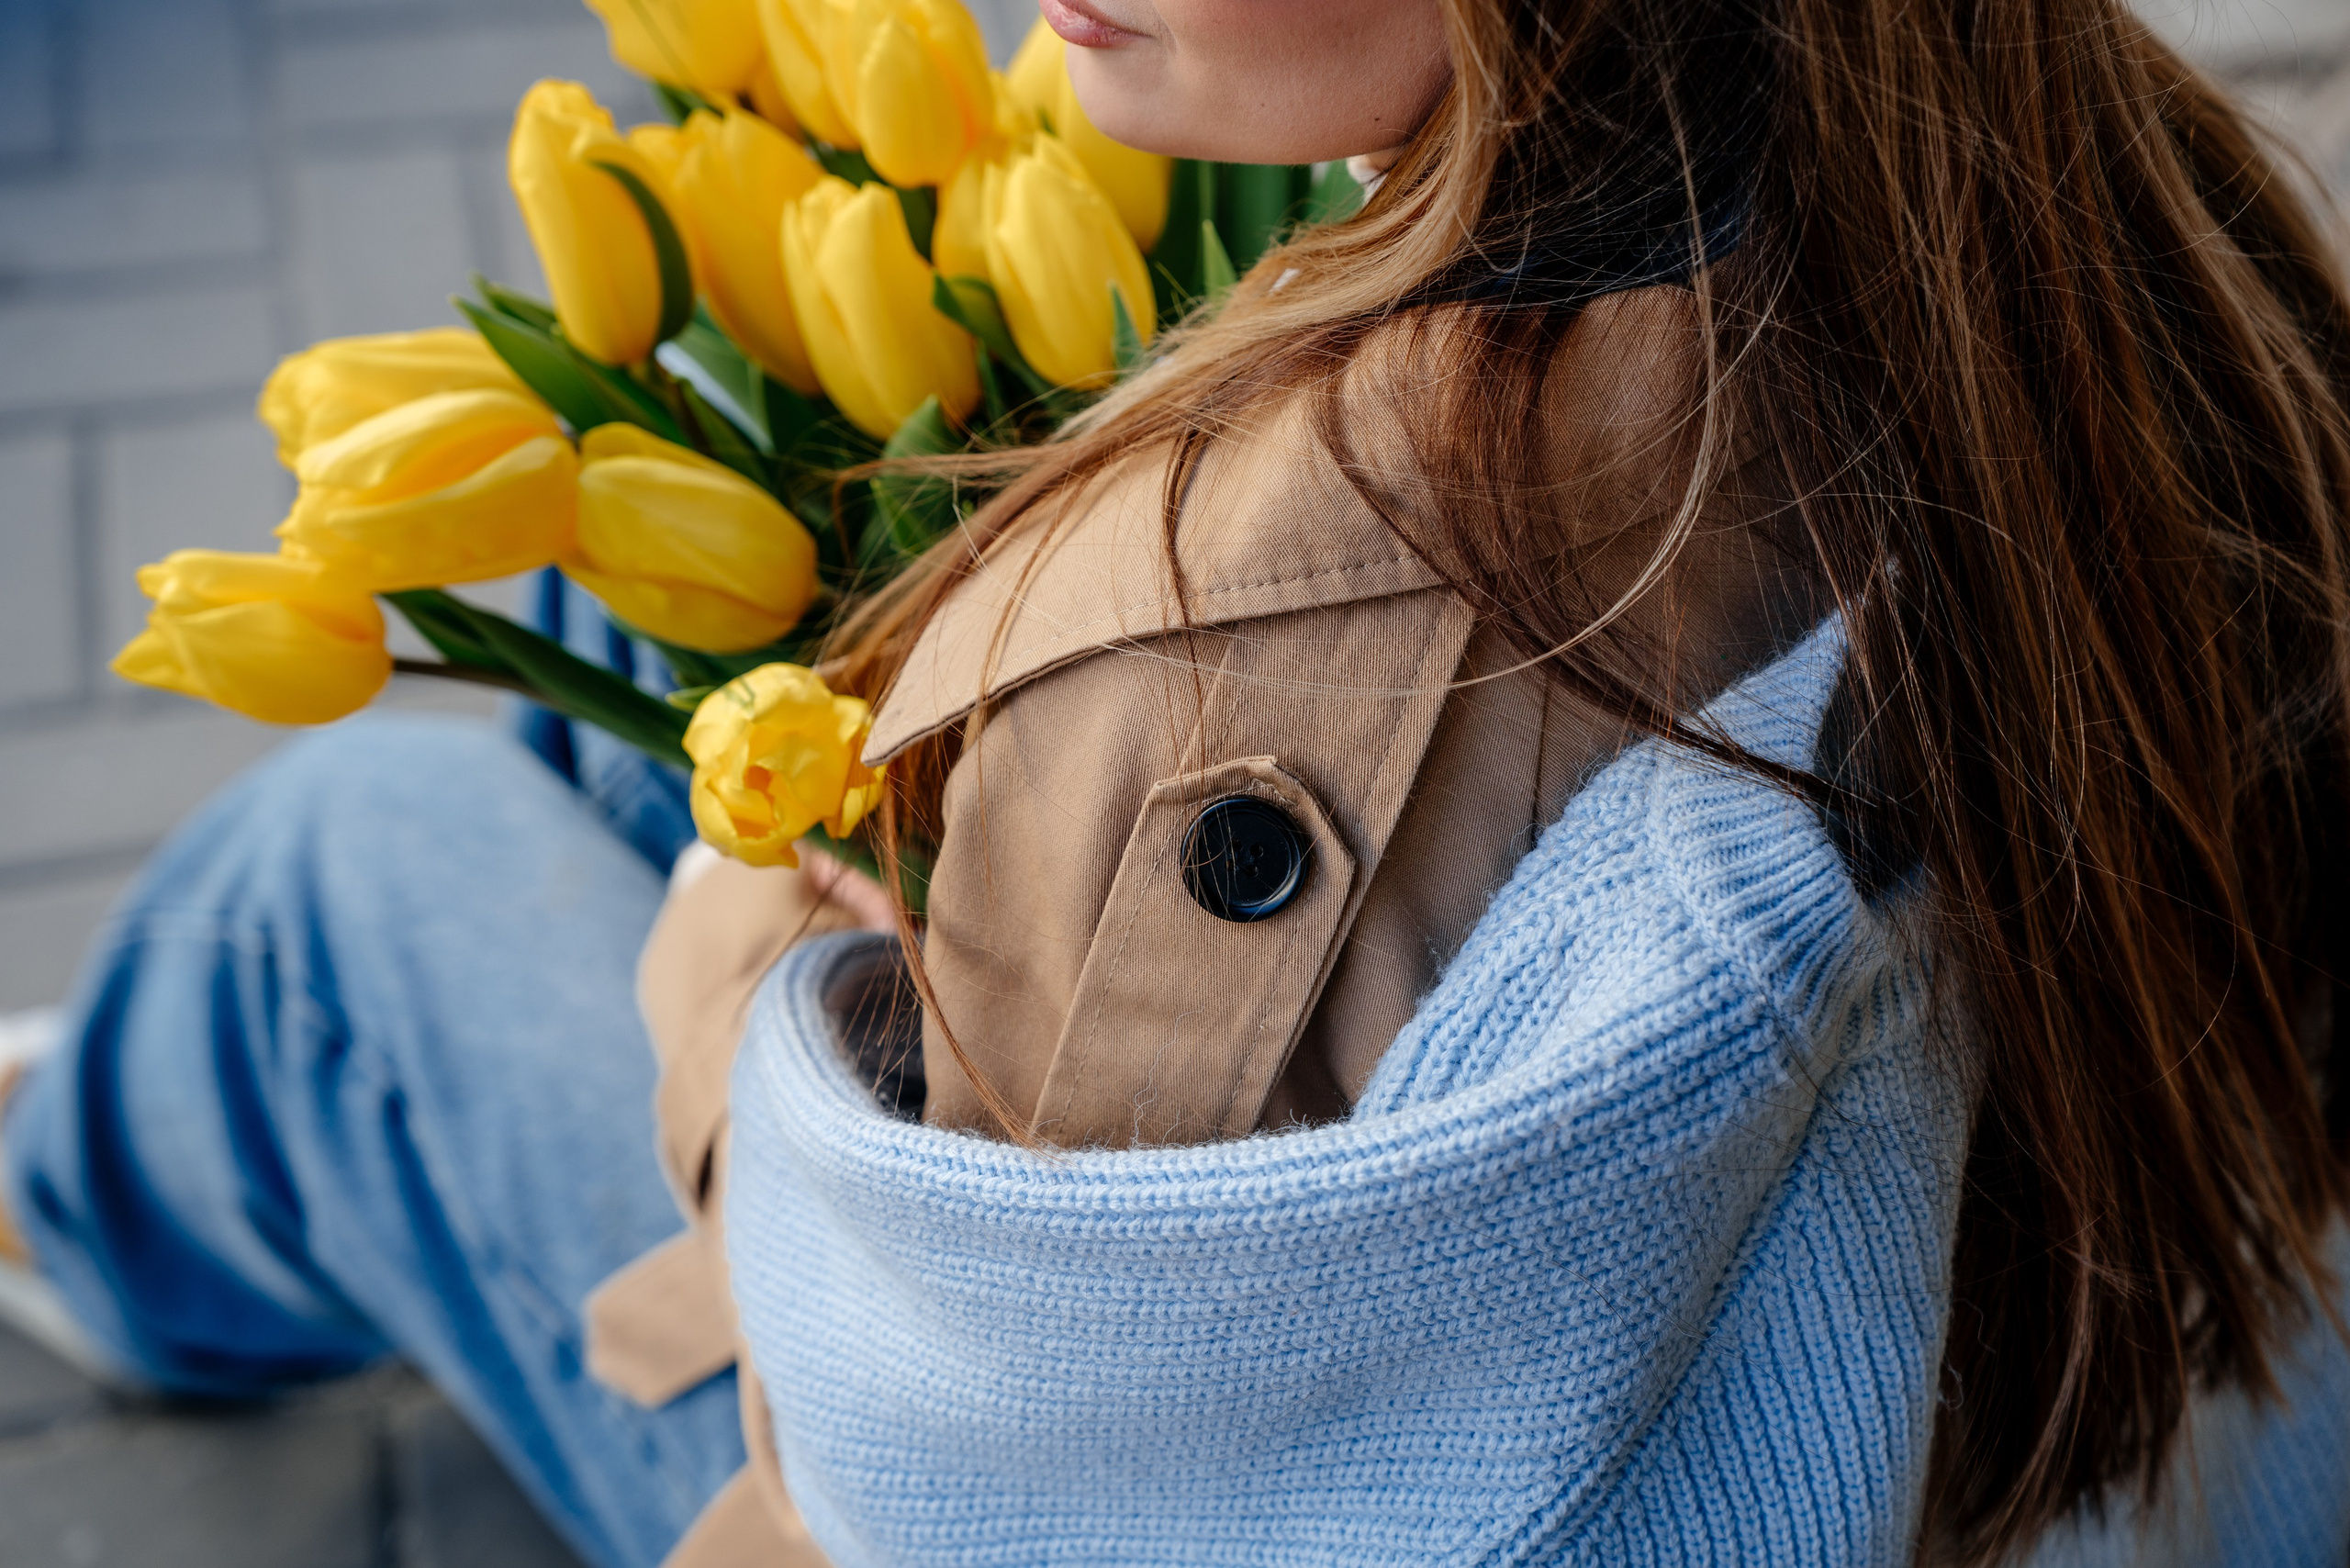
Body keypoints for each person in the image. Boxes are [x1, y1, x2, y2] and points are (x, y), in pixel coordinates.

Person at [5, 0, 2350, 1562]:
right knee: (623, 629)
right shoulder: (2070, 200)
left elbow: (963, 1486)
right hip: (2023, 1375)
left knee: (347, 865)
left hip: (1152, 1455)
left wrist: (740, 1031)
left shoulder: (1246, 618)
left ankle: (100, 1228)